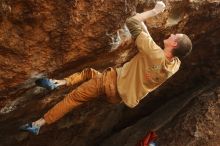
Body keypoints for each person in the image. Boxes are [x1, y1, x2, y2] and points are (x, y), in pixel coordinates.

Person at [20, 1, 192, 135]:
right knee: (89, 73)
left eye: (175, 35)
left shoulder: (154, 53)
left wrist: (155, 11)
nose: (171, 34)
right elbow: (150, 44)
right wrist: (142, 20)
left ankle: (38, 124)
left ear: (174, 43)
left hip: (110, 82)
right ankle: (58, 83)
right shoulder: (174, 65)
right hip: (116, 96)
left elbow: (131, 22)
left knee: (73, 99)